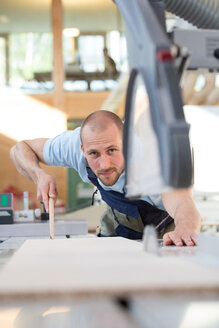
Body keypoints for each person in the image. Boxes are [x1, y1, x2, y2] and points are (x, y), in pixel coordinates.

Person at [10, 110, 201, 246]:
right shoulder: (73, 146)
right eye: (94, 154)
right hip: (120, 220)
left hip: (168, 222)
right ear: (83, 149)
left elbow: (182, 202)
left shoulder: (153, 154)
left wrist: (185, 227)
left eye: (112, 150)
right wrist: (39, 175)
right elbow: (20, 149)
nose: (104, 164)